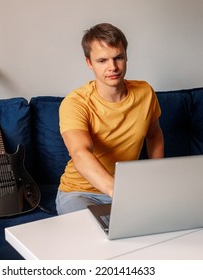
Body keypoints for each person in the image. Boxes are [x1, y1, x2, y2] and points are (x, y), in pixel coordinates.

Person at [56, 23, 164, 215]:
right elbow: (80, 153)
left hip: (128, 189)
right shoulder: (75, 102)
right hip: (80, 192)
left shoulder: (145, 92)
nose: (112, 67)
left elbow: (154, 135)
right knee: (97, 234)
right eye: (102, 61)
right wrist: (116, 190)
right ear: (89, 63)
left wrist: (155, 176)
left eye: (118, 58)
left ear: (126, 57)